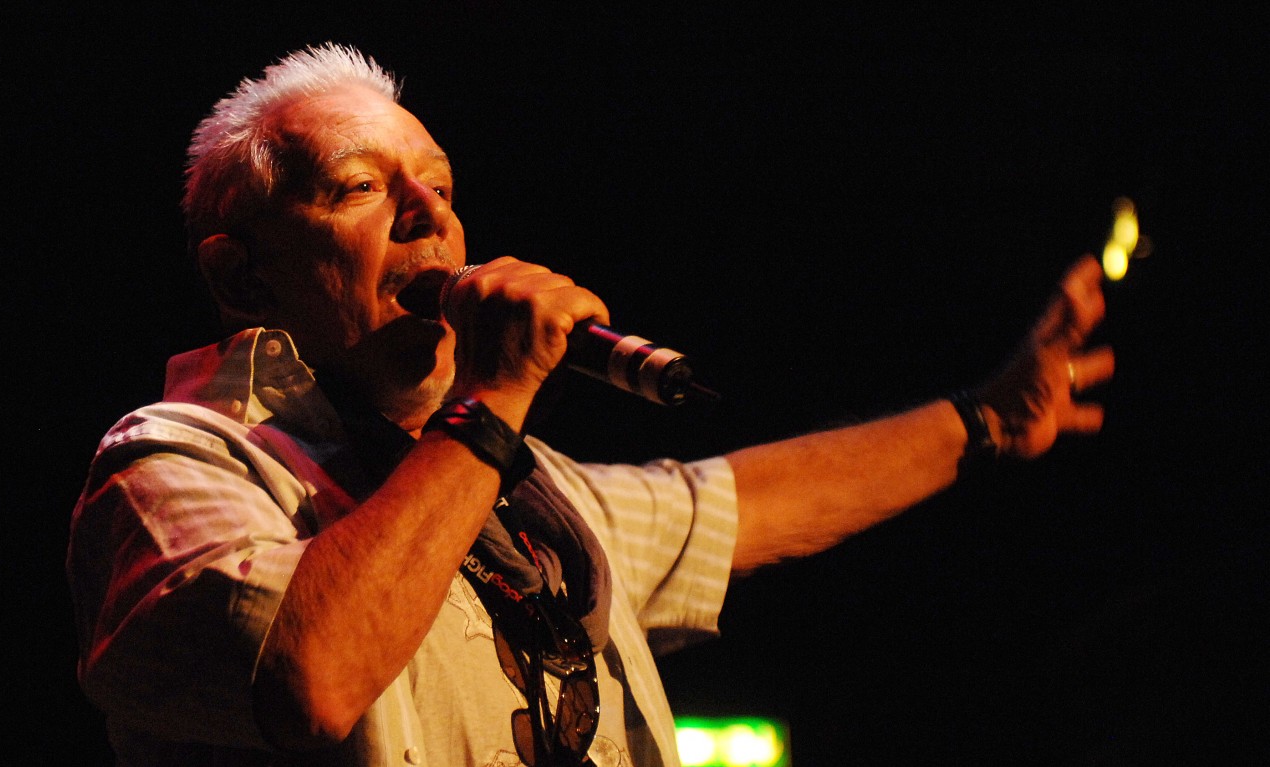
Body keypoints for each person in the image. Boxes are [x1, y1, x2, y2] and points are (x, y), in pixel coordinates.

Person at [66, 42, 1115, 767]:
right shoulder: (176, 461)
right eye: (360, 188)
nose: (431, 215)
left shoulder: (532, 495)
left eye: (439, 184)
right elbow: (308, 679)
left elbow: (744, 501)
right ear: (243, 275)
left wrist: (986, 417)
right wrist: (492, 399)